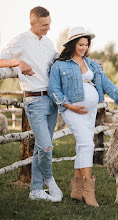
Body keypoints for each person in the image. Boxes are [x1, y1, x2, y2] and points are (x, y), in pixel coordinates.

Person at [48, 26, 118, 207]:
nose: (84, 48)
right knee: (87, 144)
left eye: (86, 45)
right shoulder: (60, 65)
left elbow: (106, 83)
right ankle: (88, 190)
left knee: (82, 146)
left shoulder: (92, 64)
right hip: (72, 110)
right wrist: (69, 105)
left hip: (90, 111)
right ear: (72, 44)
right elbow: (53, 89)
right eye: (80, 44)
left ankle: (77, 191)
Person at [0, 6, 62, 202]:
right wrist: (18, 63)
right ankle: (49, 180)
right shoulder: (21, 40)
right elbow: (1, 59)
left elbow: (57, 61)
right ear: (32, 23)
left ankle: (35, 190)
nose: (48, 28)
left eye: (49, 24)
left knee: (41, 147)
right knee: (46, 147)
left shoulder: (49, 42)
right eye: (44, 25)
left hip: (52, 100)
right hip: (34, 100)